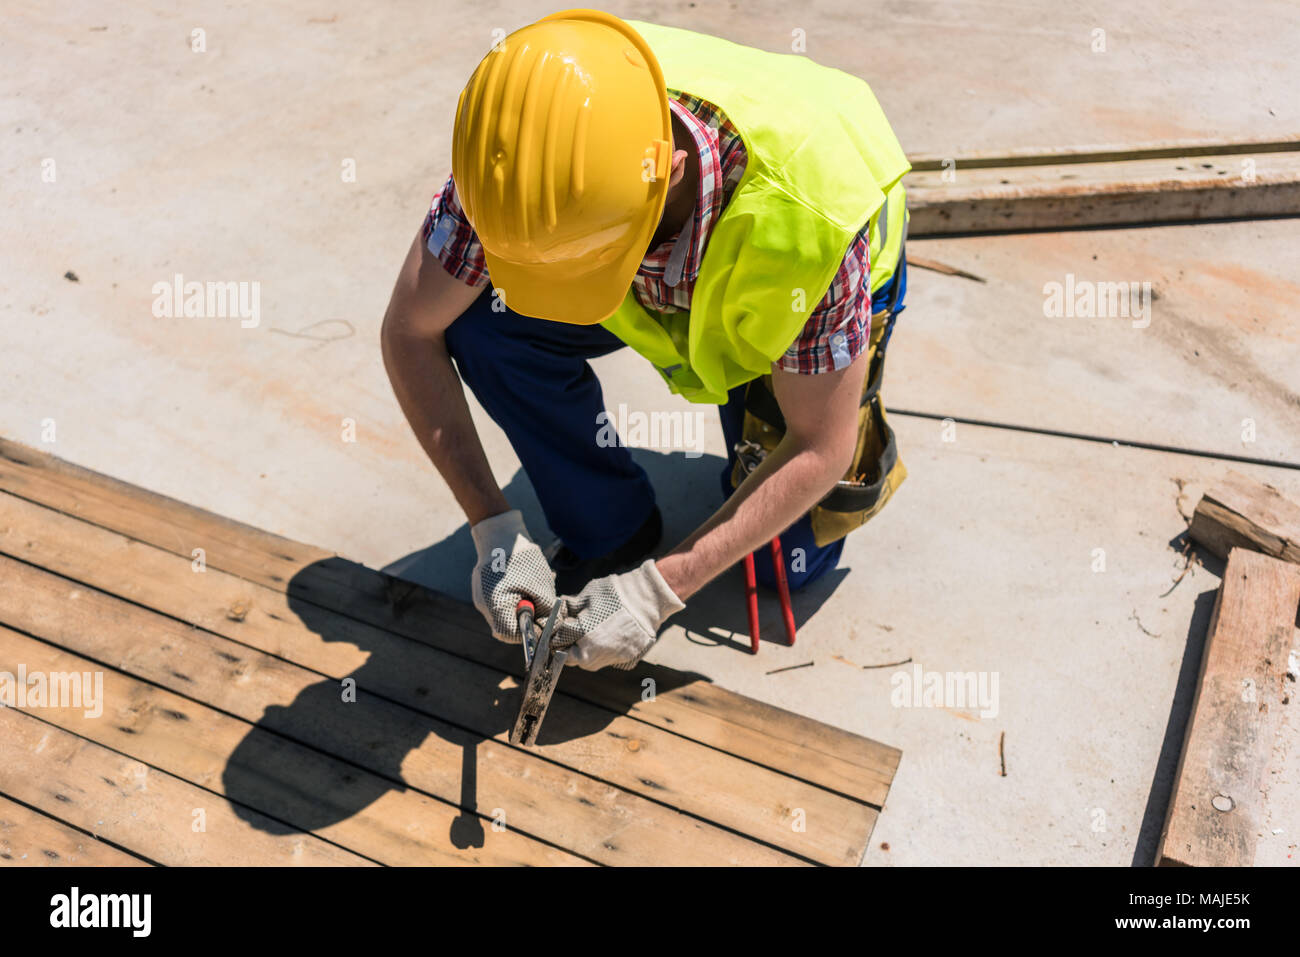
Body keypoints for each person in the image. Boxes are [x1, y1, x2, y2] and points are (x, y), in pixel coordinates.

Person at [381, 9, 910, 671]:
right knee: (482, 323)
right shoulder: (526, 153)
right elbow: (409, 330)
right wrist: (492, 526)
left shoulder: (813, 225)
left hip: (795, 289)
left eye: (584, 262)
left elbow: (821, 446)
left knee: (792, 562)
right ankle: (613, 524)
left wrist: (660, 591)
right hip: (674, 260)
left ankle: (758, 407)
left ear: (672, 171)